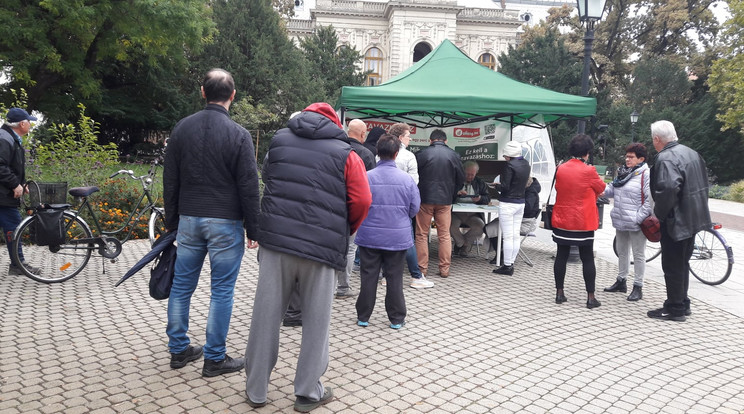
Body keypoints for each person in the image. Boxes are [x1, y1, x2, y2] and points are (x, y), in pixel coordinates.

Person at [244, 102, 371, 411]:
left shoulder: (278, 142)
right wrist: (343, 228)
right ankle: (307, 392)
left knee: (265, 317)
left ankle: (256, 390)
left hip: (276, 244)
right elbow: (362, 200)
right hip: (321, 249)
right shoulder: (347, 154)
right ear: (333, 123)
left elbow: (269, 180)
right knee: (317, 322)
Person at [163, 68, 260, 377]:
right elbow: (249, 185)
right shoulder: (239, 135)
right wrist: (253, 228)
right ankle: (214, 358)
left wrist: (171, 220)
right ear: (233, 96)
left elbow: (170, 179)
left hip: (189, 218)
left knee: (181, 286)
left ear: (202, 92)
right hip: (225, 222)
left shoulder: (182, 129)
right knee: (221, 291)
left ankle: (179, 351)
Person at [355, 134, 420, 329]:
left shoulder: (366, 177)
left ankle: (363, 316)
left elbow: (358, 203)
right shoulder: (407, 180)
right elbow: (414, 208)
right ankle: (397, 318)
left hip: (369, 236)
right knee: (394, 278)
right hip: (397, 237)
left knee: (368, 276)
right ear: (396, 153)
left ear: (377, 152)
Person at [648, 120, 711, 322]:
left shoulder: (666, 159)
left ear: (657, 139)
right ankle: (682, 303)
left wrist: (658, 215)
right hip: (693, 218)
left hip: (677, 220)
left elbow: (667, 189)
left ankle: (675, 308)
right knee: (682, 263)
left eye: (653, 140)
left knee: (673, 264)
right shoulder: (692, 153)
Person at [551, 134, 606, 309]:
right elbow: (602, 188)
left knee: (561, 255)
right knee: (587, 258)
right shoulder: (589, 170)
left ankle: (559, 293)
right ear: (587, 152)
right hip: (583, 221)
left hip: (563, 219)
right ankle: (591, 297)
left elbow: (558, 188)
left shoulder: (560, 168)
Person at [602, 143, 652, 302]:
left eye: (631, 157)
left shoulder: (646, 174)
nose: (627, 159)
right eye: (627, 156)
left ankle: (638, 286)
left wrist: (638, 218)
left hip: (636, 222)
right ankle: (621, 281)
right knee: (622, 251)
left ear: (641, 159)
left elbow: (650, 200)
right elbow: (610, 191)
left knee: (638, 254)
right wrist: (596, 186)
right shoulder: (623, 173)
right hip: (620, 219)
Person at [388, 122, 433, 289]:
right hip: (402, 204)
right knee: (407, 240)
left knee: (389, 240)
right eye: (408, 136)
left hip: (384, 203)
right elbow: (413, 183)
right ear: (400, 138)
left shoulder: (381, 154)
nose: (410, 139)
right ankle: (416, 276)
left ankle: (387, 275)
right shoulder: (408, 156)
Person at [414, 129, 464, 278]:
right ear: (445, 141)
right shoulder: (454, 155)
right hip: (445, 200)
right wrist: (452, 194)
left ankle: (422, 269)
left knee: (422, 234)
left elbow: (414, 177)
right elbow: (460, 179)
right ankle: (444, 269)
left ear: (430, 140)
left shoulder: (421, 154)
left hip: (424, 199)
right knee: (444, 235)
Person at [335, 119, 375, 299]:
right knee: (350, 248)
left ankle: (329, 285)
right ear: (362, 134)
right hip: (354, 209)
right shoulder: (366, 154)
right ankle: (343, 288)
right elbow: (369, 187)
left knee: (334, 247)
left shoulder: (336, 149)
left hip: (333, 208)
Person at [0, 108, 40, 275]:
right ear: (22, 124)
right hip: (3, 196)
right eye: (29, 121)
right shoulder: (4, 139)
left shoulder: (10, 137)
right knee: (15, 227)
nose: (30, 125)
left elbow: (11, 167)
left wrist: (21, 185)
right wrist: (15, 185)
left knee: (13, 228)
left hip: (4, 194)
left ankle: (17, 264)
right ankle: (18, 265)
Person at [492, 141, 530, 275]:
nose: (504, 157)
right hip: (520, 202)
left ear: (508, 154)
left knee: (507, 236)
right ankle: (511, 262)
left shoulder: (509, 166)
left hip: (508, 203)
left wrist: (496, 186)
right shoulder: (526, 164)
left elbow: (505, 187)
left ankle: (507, 265)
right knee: (515, 235)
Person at [450, 160, 490, 258]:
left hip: (472, 214)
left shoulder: (480, 183)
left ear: (476, 173)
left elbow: (487, 198)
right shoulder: (455, 181)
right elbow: (446, 195)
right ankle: (463, 244)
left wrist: (480, 198)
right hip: (456, 214)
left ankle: (463, 245)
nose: (470, 177)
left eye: (472, 175)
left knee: (481, 227)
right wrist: (457, 193)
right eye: (467, 174)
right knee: (449, 225)